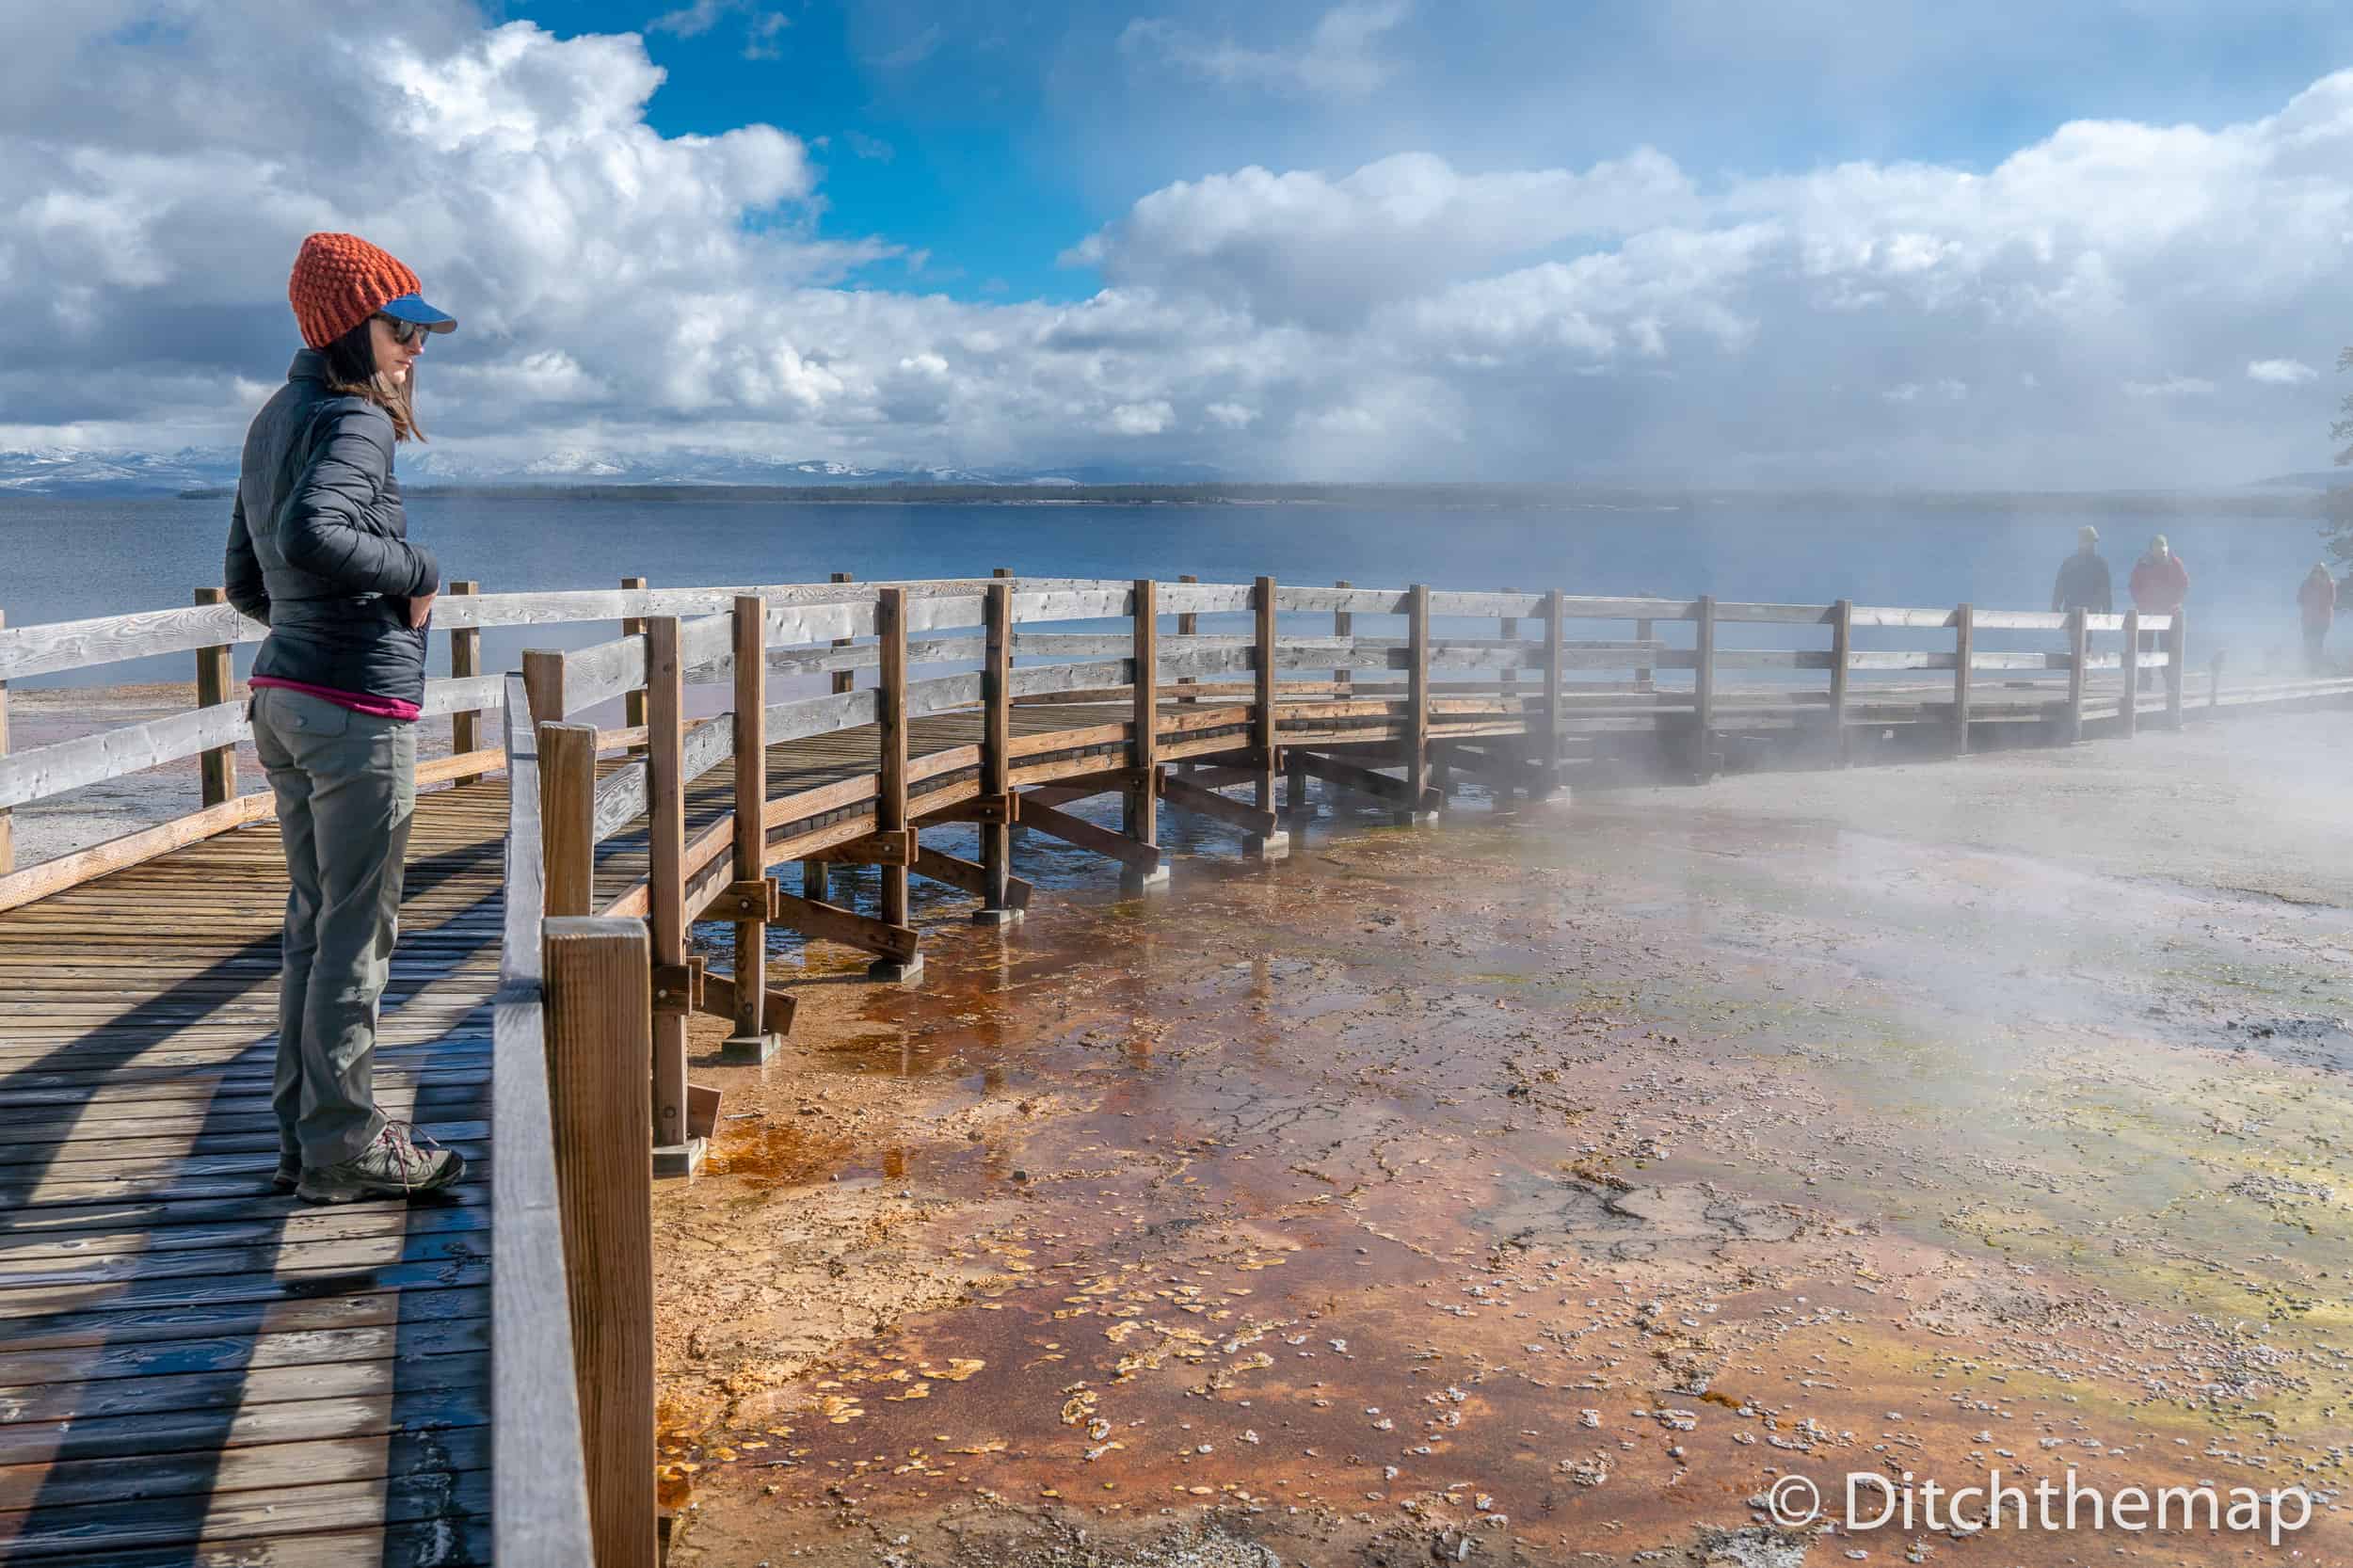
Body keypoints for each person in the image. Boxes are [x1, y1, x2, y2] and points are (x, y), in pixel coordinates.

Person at [224, 232, 463, 1204]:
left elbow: (251, 579)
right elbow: (313, 534)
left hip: (285, 698)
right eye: (403, 327)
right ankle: (346, 1146)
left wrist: (313, 626)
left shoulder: (276, 418)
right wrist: (417, 573)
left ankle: (306, 1138)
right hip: (353, 709)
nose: (416, 349)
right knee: (356, 937)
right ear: (350, 328)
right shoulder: (354, 421)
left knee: (316, 928)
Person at [2129, 535, 2191, 692]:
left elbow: (2184, 585)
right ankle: (2145, 682)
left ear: (2166, 549)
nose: (2161, 554)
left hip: (2167, 613)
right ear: (2151, 550)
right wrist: (2141, 603)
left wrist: (2175, 603)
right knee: (2144, 649)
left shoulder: (2174, 563)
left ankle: (2170, 683)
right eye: (2157, 551)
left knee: (2167, 650)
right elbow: (2134, 586)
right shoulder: (2143, 564)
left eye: (2163, 551)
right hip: (2146, 613)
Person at [2051, 524, 2113, 616]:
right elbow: (2060, 587)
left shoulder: (2098, 564)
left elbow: (2105, 589)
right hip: (2078, 612)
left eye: (2093, 542)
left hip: (2087, 612)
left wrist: (2107, 609)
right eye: (2090, 541)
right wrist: (2107, 610)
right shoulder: (2098, 563)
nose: (2092, 545)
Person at [2299, 563, 2337, 673]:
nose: (2317, 574)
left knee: (2317, 642)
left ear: (2324, 573)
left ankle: (2315, 667)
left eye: (2320, 572)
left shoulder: (2329, 584)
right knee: (2308, 643)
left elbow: (2331, 601)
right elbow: (2300, 598)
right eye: (2315, 572)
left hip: (2322, 619)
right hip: (2308, 618)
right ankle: (2310, 666)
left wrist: (2318, 606)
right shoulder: (2307, 584)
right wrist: (2308, 603)